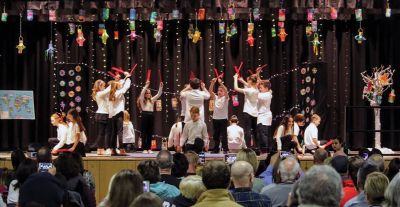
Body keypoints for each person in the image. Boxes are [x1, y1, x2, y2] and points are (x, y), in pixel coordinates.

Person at [107, 73, 131, 155]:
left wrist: (124, 79)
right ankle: (121, 149)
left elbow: (121, 83)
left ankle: (113, 150)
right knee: (120, 132)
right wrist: (128, 77)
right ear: (116, 86)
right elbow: (126, 86)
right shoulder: (119, 92)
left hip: (112, 115)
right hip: (119, 114)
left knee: (113, 133)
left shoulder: (110, 94)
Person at [233, 73, 259, 149]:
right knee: (255, 131)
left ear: (250, 81)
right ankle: (257, 147)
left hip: (247, 111)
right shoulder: (257, 90)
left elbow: (236, 88)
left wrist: (235, 78)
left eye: (249, 80)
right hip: (255, 112)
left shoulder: (249, 90)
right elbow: (250, 86)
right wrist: (242, 81)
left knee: (247, 130)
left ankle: (248, 147)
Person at [138, 81, 163, 154]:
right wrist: (146, 86)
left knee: (150, 133)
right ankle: (144, 148)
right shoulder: (142, 100)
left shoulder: (152, 100)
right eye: (147, 93)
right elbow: (142, 93)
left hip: (151, 115)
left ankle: (149, 148)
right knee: (144, 132)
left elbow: (159, 94)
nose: (148, 94)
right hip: (144, 115)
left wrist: (160, 87)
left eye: (149, 93)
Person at [208, 78, 229, 153]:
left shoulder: (226, 98)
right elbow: (210, 91)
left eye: (221, 91)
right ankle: (216, 149)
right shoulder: (216, 97)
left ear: (224, 92)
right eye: (218, 91)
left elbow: (226, 90)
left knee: (224, 135)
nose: (219, 92)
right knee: (215, 135)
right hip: (215, 119)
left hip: (223, 119)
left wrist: (221, 83)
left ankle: (225, 149)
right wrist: (212, 83)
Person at [92, 79, 110, 155]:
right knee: (102, 133)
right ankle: (100, 149)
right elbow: (108, 90)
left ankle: (100, 149)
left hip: (102, 114)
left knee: (102, 133)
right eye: (103, 85)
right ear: (99, 86)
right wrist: (113, 83)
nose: (104, 87)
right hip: (103, 114)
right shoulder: (99, 93)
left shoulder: (100, 93)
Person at [257, 80, 273, 153]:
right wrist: (258, 76)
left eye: (261, 88)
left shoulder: (266, 95)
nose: (259, 89)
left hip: (264, 117)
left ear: (266, 88)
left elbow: (254, 92)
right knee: (262, 134)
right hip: (262, 116)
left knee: (263, 134)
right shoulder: (268, 92)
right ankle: (264, 150)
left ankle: (265, 151)